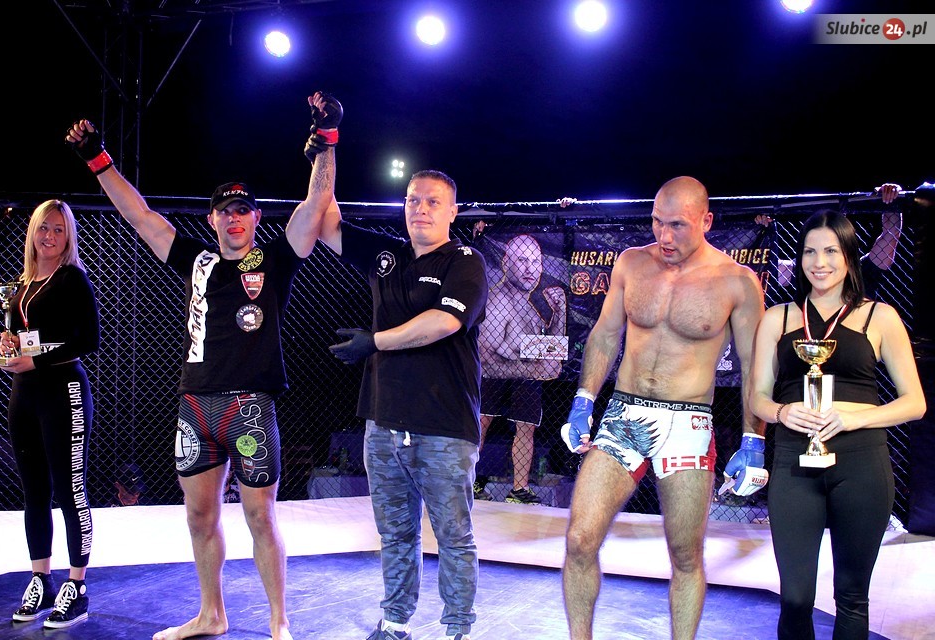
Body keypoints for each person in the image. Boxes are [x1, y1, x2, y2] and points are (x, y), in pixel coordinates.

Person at [64, 90, 340, 640]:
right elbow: (139, 214)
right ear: (212, 218)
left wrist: (327, 138)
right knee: (198, 517)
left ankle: (279, 622)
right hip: (196, 407)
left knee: (260, 516)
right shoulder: (197, 259)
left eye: (243, 210)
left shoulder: (275, 257)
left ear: (256, 217)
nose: (234, 218)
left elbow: (315, 206)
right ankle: (211, 615)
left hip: (250, 408)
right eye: (225, 211)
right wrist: (98, 158)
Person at [560, 176, 766, 640]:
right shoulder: (632, 263)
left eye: (677, 225)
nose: (664, 236)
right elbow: (605, 335)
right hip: (624, 415)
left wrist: (754, 439)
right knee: (579, 539)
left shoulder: (737, 281)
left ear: (706, 221)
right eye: (657, 222)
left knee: (686, 555)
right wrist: (583, 400)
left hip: (688, 422)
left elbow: (754, 364)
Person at [318, 170, 487, 640]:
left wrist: (374, 342)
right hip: (383, 421)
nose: (421, 209)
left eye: (433, 201)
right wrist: (326, 150)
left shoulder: (465, 261)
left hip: (443, 425)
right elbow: (326, 222)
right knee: (394, 533)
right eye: (413, 200)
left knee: (454, 536)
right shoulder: (386, 256)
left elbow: (444, 322)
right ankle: (394, 623)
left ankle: (457, 630)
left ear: (453, 212)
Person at [749, 209, 925, 639]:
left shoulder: (879, 316)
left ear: (848, 255)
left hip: (861, 463)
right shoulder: (778, 317)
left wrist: (854, 417)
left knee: (851, 597)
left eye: (830, 251)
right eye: (810, 252)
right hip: (794, 460)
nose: (819, 262)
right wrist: (782, 412)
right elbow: (757, 397)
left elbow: (915, 403)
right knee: (795, 598)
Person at [0, 199, 99, 628]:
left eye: (58, 229)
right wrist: (9, 344)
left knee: (70, 490)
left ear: (68, 235)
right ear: (33, 233)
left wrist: (36, 360)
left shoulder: (73, 278)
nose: (50, 236)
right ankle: (41, 578)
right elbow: (23, 337)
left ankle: (78, 587)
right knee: (34, 494)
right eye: (44, 228)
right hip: (25, 395)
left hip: (64, 391)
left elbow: (89, 340)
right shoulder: (22, 284)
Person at [476, 233, 567, 504]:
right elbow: (486, 357)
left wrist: (560, 313)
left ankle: (519, 489)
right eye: (522, 260)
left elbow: (554, 357)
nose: (530, 268)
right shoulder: (498, 301)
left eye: (535, 261)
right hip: (496, 376)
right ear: (506, 263)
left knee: (526, 427)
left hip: (523, 376)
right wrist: (532, 367)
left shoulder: (531, 306)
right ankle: (467, 480)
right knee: (481, 423)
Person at [765, 183, 903, 296]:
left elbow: (891, 234)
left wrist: (891, 198)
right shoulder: (809, 270)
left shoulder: (862, 272)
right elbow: (767, 269)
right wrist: (758, 231)